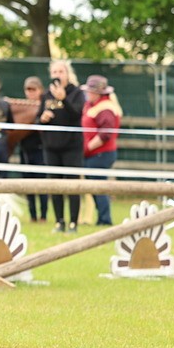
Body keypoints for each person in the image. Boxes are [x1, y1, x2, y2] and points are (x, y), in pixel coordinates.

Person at [37, 59, 85, 232]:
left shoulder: (77, 93)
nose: (57, 75)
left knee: (73, 185)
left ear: (67, 74)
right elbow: (38, 120)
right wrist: (42, 119)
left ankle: (73, 223)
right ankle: (59, 221)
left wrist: (64, 99)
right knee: (54, 185)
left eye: (61, 72)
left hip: (72, 146)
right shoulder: (46, 95)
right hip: (51, 147)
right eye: (55, 72)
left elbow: (77, 115)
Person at [81, 75, 122, 226]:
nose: (87, 94)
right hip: (94, 154)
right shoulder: (93, 106)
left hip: (100, 153)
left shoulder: (106, 108)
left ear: (98, 93)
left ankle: (104, 219)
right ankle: (102, 218)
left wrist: (88, 147)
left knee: (99, 186)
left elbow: (106, 133)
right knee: (94, 187)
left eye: (90, 91)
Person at [18, 76, 49, 223]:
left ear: (40, 90)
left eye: (33, 89)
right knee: (27, 184)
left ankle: (43, 215)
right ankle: (33, 215)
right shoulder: (22, 107)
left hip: (41, 150)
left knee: (42, 184)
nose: (30, 93)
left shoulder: (45, 105)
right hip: (25, 150)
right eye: (28, 90)